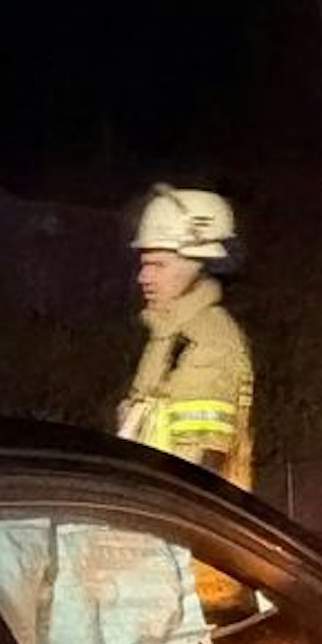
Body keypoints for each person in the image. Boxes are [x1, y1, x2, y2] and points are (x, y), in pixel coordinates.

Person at [117, 184, 255, 492]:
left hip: (175, 530)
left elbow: (199, 477)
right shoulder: (169, 335)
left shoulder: (209, 343)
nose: (144, 277)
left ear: (199, 267)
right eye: (143, 264)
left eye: (158, 265)